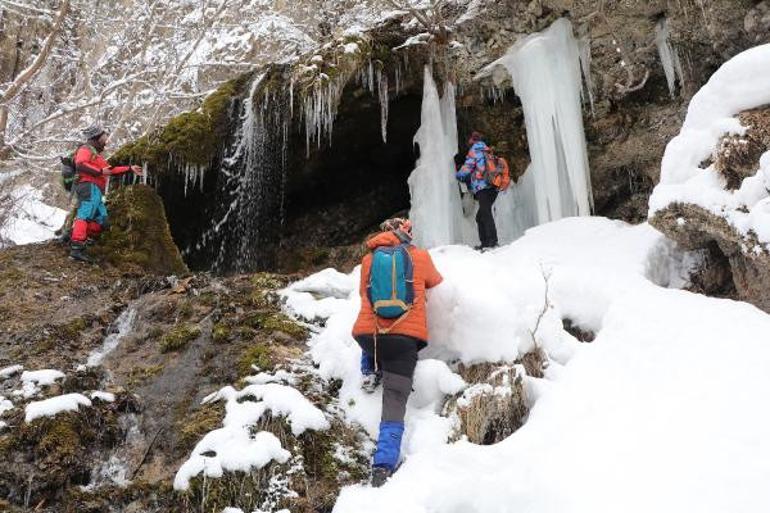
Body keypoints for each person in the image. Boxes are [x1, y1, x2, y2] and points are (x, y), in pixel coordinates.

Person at [351, 218, 443, 487]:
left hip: (367, 337)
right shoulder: (420, 257)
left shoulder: (369, 261)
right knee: (394, 400)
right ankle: (383, 465)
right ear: (407, 234)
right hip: (404, 342)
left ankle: (369, 369)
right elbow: (437, 283)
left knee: (374, 336)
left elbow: (364, 296)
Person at [70, 124, 142, 262]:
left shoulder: (97, 157)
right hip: (88, 186)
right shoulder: (85, 149)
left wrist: (129, 168)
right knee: (84, 214)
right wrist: (99, 172)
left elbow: (111, 170)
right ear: (96, 137)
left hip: (96, 190)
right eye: (104, 136)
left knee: (102, 220)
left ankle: (82, 238)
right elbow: (80, 164)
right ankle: (76, 247)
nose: (106, 140)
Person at [456, 131, 498, 250]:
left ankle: (492, 242)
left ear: (473, 140)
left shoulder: (474, 151)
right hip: (493, 187)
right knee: (480, 216)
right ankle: (485, 243)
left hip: (483, 187)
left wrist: (457, 175)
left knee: (485, 214)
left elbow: (467, 168)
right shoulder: (487, 150)